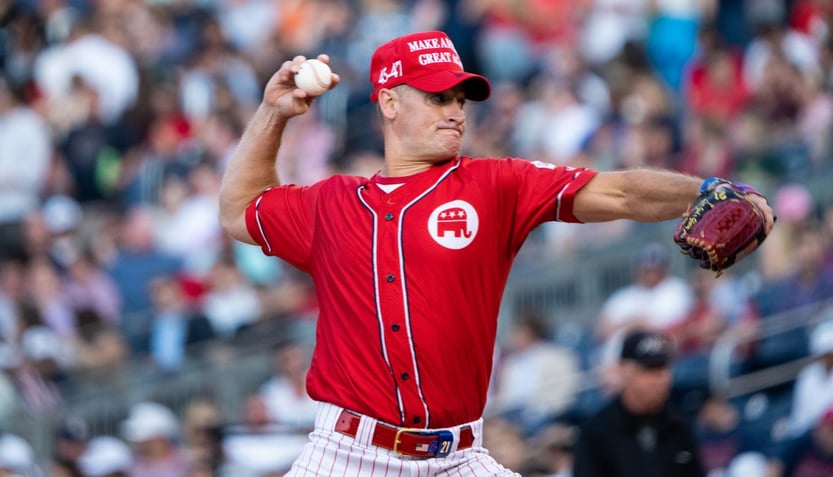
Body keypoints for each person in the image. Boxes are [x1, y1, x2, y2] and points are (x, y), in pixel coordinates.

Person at [217, 30, 774, 476]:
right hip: (345, 458)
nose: (456, 110)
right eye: (437, 96)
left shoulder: (495, 185)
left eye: (461, 98)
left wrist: (707, 190)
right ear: (388, 101)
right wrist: (274, 114)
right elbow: (239, 211)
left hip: (458, 457)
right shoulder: (331, 203)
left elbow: (619, 190)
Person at [572, 329, 705, 477]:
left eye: (663, 368)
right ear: (624, 370)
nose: (660, 379)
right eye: (649, 369)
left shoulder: (679, 427)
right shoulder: (596, 432)